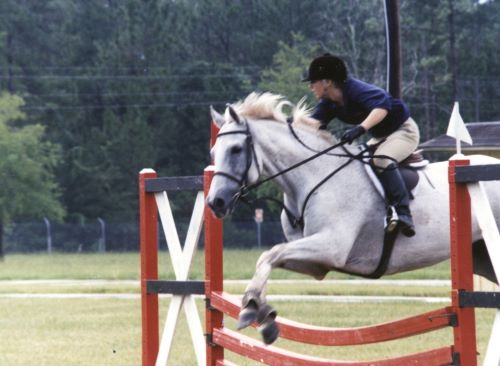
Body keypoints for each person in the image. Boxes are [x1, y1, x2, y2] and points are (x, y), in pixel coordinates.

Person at [304, 53, 419, 237]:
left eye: (314, 81)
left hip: (402, 131)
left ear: (327, 82)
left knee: (381, 160)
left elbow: (382, 106)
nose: (311, 86)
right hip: (380, 136)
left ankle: (404, 213)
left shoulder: (356, 89)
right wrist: (285, 124)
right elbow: (313, 124)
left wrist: (360, 129)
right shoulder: (327, 103)